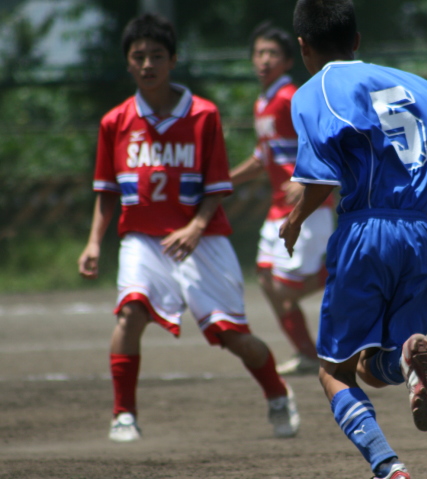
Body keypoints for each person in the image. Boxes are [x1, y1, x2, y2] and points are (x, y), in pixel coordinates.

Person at [280, 1, 427, 477]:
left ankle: (389, 467)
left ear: (303, 46)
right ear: (356, 40)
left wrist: (295, 219)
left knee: (333, 370)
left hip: (366, 234)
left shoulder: (316, 91)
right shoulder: (422, 88)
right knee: (372, 368)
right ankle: (405, 363)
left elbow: (320, 177)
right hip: (423, 239)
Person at [77, 13, 299, 443]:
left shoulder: (203, 115)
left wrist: (196, 227)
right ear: (127, 62)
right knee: (130, 313)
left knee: (232, 336)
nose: (147, 64)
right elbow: (106, 191)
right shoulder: (114, 122)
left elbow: (216, 186)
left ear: (173, 59)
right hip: (143, 239)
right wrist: (93, 243)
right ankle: (123, 414)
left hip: (202, 241)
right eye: (138, 56)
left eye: (157, 55)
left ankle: (277, 393)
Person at [230, 22, 334, 376]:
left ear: (289, 60)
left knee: (285, 290)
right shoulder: (263, 102)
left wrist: (307, 181)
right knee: (264, 277)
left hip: (307, 205)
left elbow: (326, 140)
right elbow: (263, 157)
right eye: (259, 52)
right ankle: (307, 354)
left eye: (272, 53)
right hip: (279, 207)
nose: (264, 59)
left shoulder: (291, 96)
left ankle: (351, 272)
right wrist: (222, 181)